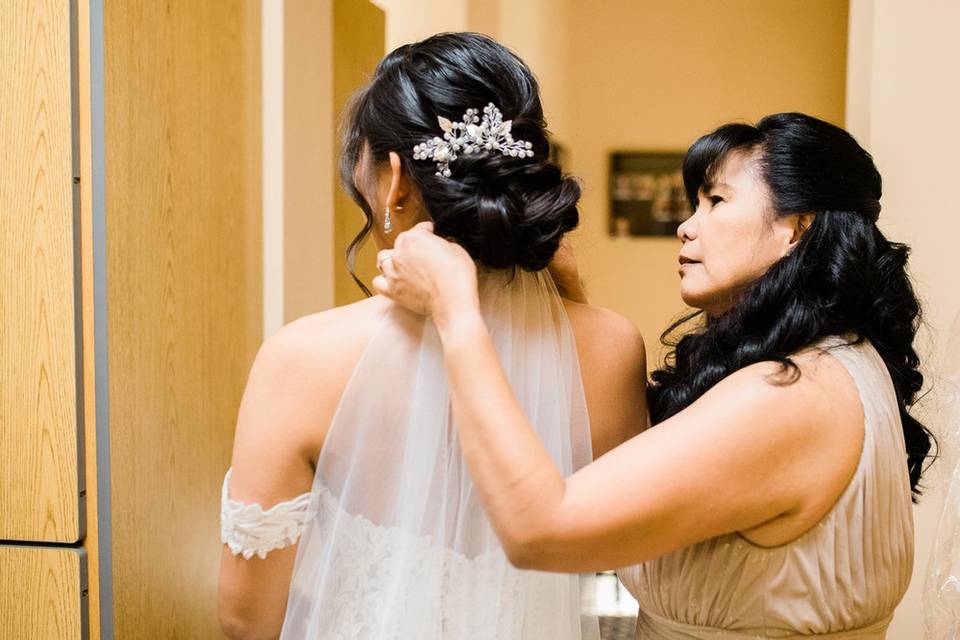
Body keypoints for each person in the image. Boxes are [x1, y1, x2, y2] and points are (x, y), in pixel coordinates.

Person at [373, 113, 936, 638]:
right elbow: (643, 481)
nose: (687, 227)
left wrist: (455, 310)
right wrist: (570, 297)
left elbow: (538, 529)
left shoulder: (790, 397)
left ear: (797, 228)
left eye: (716, 201)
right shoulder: (833, 362)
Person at [217, 32, 646, 640]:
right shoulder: (614, 348)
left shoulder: (300, 359)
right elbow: (633, 563)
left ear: (394, 182)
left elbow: (247, 620)